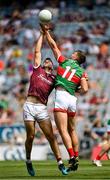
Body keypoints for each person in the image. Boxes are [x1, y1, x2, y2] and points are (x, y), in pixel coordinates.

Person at [41, 24, 89, 172]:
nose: (72, 54)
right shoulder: (81, 71)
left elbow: (53, 46)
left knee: (63, 131)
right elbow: (85, 90)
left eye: (74, 53)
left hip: (61, 95)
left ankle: (72, 157)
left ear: (76, 57)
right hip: (72, 99)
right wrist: (75, 88)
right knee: (72, 130)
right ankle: (77, 156)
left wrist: (46, 32)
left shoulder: (65, 61)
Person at [23, 31, 68, 176]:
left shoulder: (54, 78)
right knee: (30, 136)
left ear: (52, 66)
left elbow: (66, 85)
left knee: (51, 137)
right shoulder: (37, 70)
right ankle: (28, 161)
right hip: (29, 105)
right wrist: (42, 34)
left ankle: (60, 164)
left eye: (49, 60)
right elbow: (37, 51)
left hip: (42, 108)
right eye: (45, 60)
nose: (47, 60)